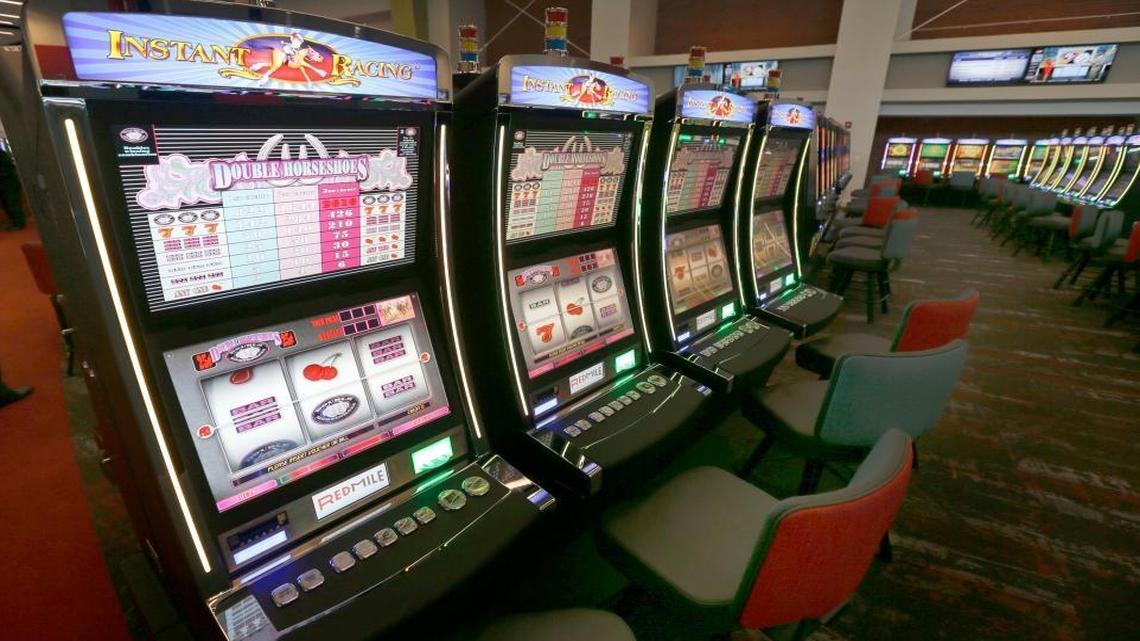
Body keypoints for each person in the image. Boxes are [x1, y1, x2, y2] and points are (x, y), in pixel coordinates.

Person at [0, 143, 26, 230]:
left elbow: (7, 168)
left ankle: (19, 223)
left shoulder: (2, 155)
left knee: (12, 203)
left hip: (8, 182)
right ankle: (14, 221)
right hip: (4, 183)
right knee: (6, 204)